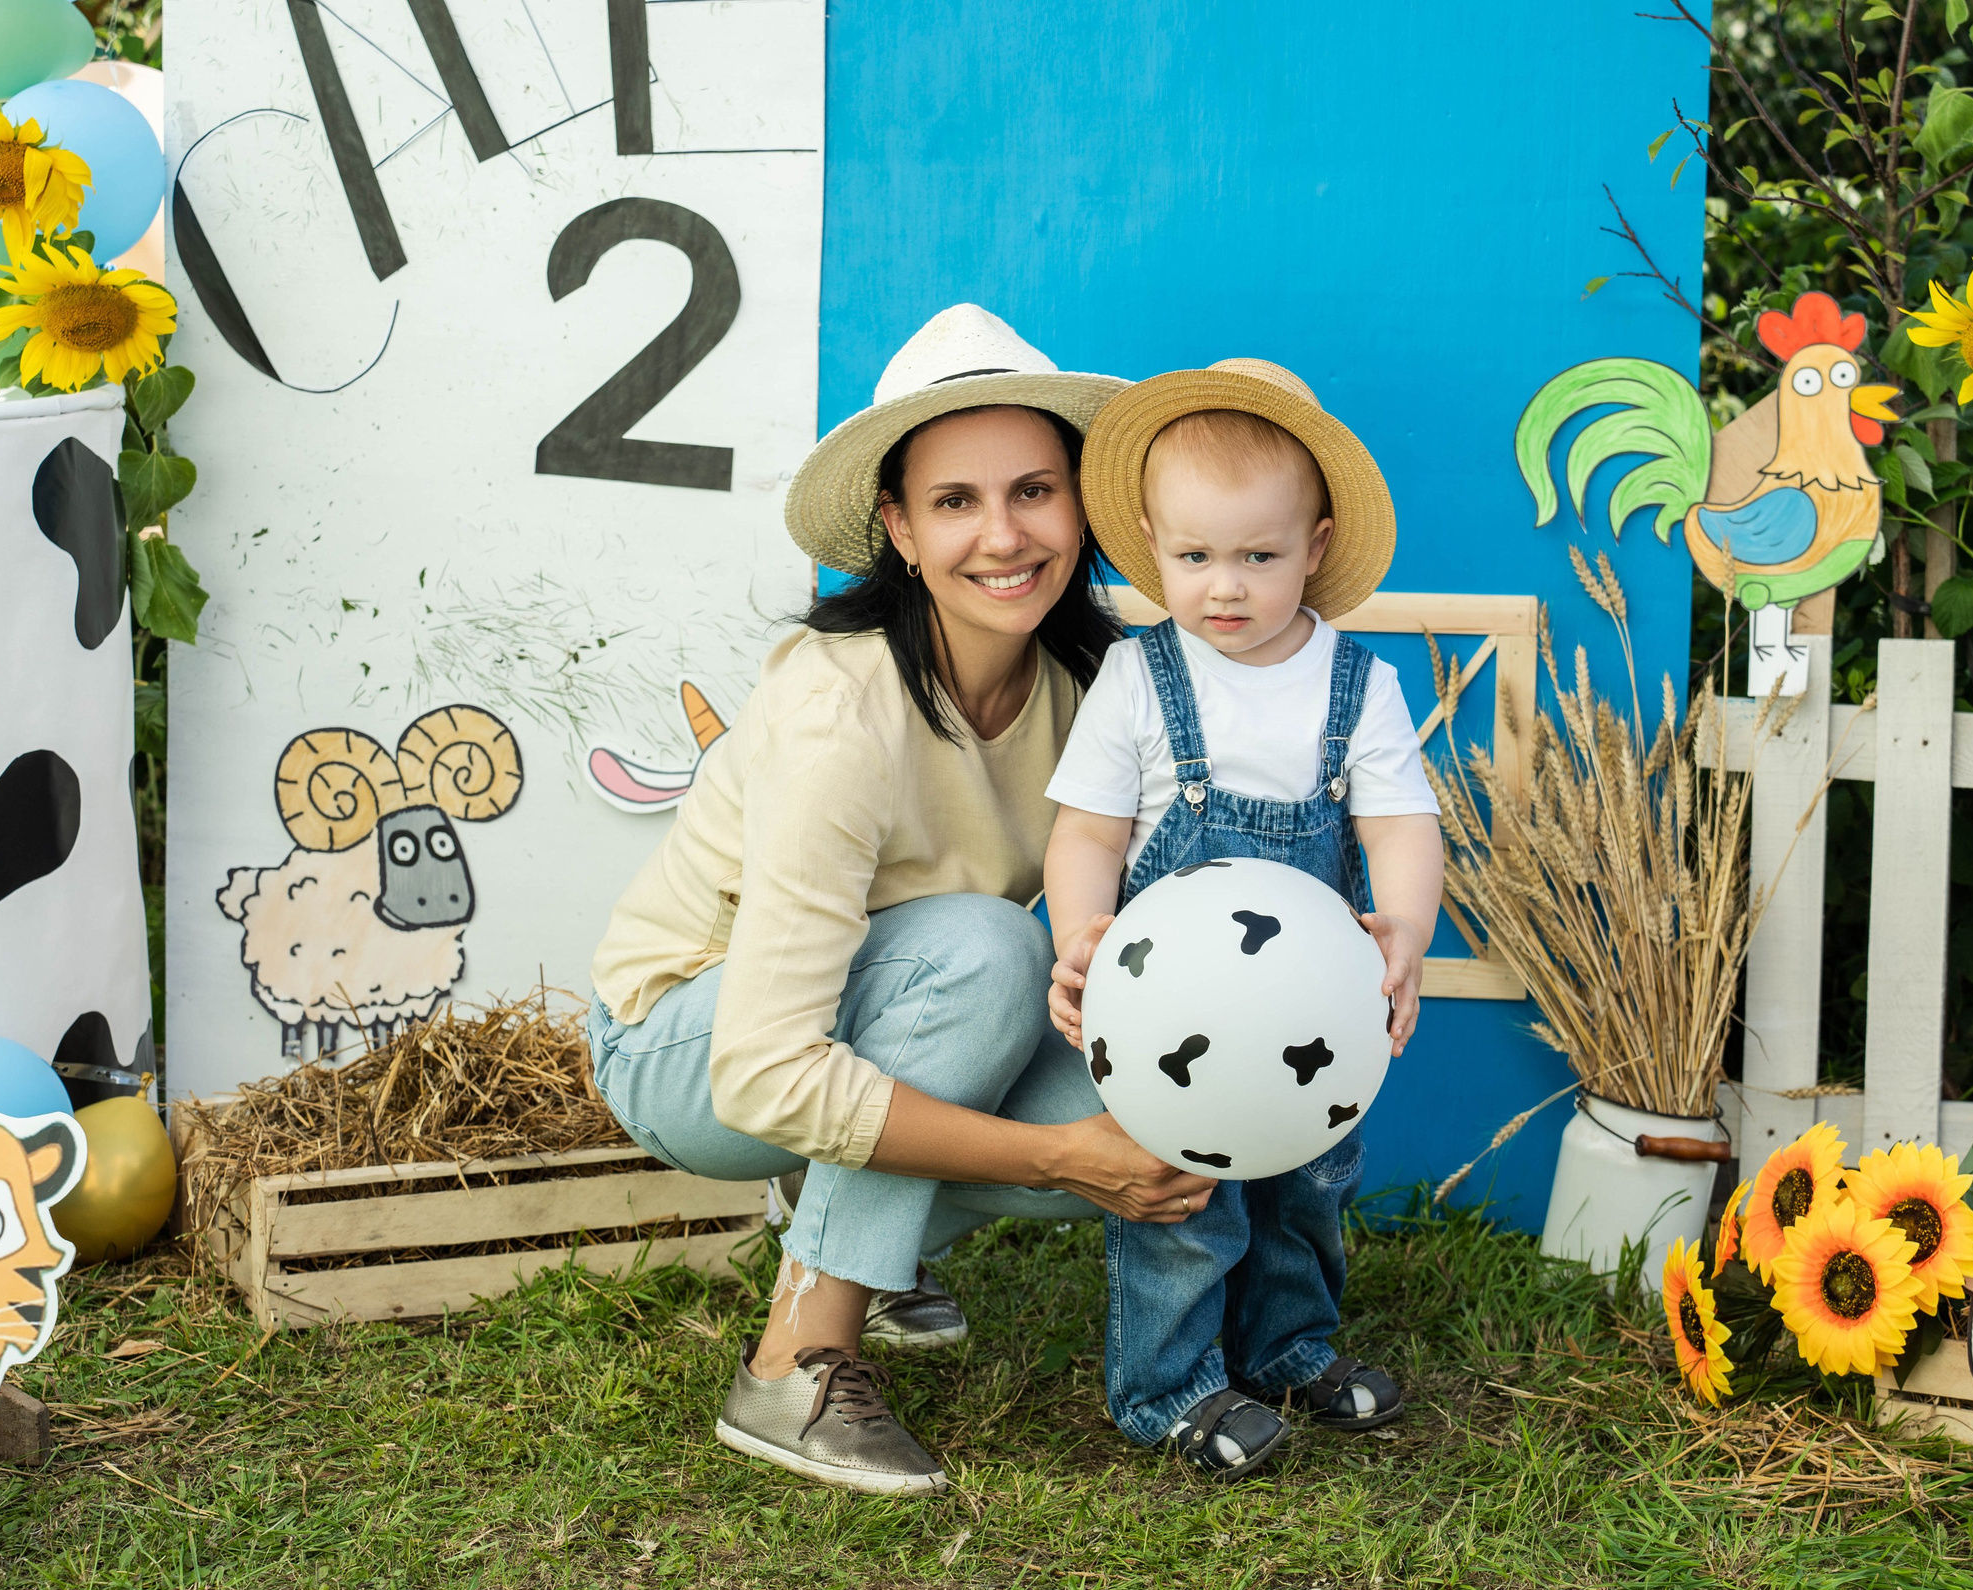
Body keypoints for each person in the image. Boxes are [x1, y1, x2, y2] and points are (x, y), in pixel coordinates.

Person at [588, 306, 1217, 1497]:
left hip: (881, 1009)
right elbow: (763, 1072)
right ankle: (798, 1359)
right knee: (982, 949)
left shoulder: (1098, 684)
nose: (1003, 535)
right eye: (955, 502)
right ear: (897, 530)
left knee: (1148, 1093)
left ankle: (845, 1224)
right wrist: (1046, 1160)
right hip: (689, 1043)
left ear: (1082, 504)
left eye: (1034, 490)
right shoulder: (843, 708)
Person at [1040, 360, 1444, 1481]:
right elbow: (1086, 831)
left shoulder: (1356, 685)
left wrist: (1404, 928)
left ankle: (1288, 1349)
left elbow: (1402, 824)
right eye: (1194, 556)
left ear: (1314, 545)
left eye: (1258, 556)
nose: (1225, 585)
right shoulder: (1136, 676)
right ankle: (1170, 1385)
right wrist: (1081, 930)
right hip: (1177, 1009)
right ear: (1153, 546)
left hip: (1312, 1007)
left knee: (1306, 1183)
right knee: (1184, 1193)